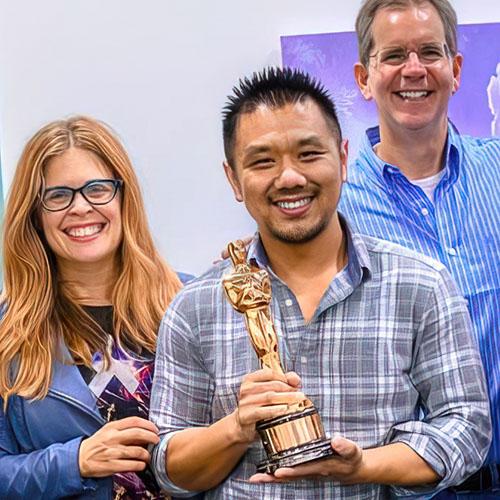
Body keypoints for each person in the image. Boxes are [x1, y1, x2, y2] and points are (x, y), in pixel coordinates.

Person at [149, 67, 490, 499]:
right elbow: (169, 469)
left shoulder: (420, 285)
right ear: (233, 178)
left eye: (309, 154)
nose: (289, 177)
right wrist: (234, 428)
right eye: (262, 161)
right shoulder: (196, 307)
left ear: (344, 159)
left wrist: (366, 465)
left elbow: (467, 427)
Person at [338, 1, 500, 496]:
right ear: (365, 78)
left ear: (454, 70)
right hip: (401, 487)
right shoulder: (333, 204)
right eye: (394, 56)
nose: (414, 69)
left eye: (430, 52)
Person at [0, 116, 190, 499]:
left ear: (123, 197)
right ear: (35, 216)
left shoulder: (190, 303)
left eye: (98, 189)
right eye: (58, 196)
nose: (81, 208)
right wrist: (75, 461)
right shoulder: (8, 333)